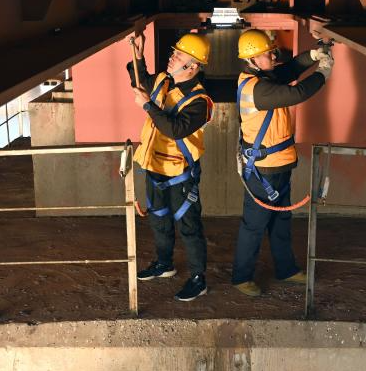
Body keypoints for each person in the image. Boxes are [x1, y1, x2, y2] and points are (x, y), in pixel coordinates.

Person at [231, 29, 334, 296]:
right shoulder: (258, 89)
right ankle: (242, 277)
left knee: (280, 221)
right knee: (254, 226)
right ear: (253, 59)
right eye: (268, 54)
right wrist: (323, 72)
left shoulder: (262, 77)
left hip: (279, 164)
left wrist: (313, 55)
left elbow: (289, 70)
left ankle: (286, 269)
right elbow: (297, 92)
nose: (274, 57)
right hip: (263, 171)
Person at [128, 30, 214, 301]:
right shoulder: (164, 82)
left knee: (188, 225)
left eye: (178, 55)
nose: (172, 57)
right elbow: (140, 82)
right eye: (174, 53)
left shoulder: (199, 102)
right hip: (154, 165)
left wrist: (148, 107)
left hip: (180, 173)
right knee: (159, 219)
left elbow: (175, 129)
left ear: (193, 67)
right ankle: (164, 264)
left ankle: (198, 279)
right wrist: (138, 56)